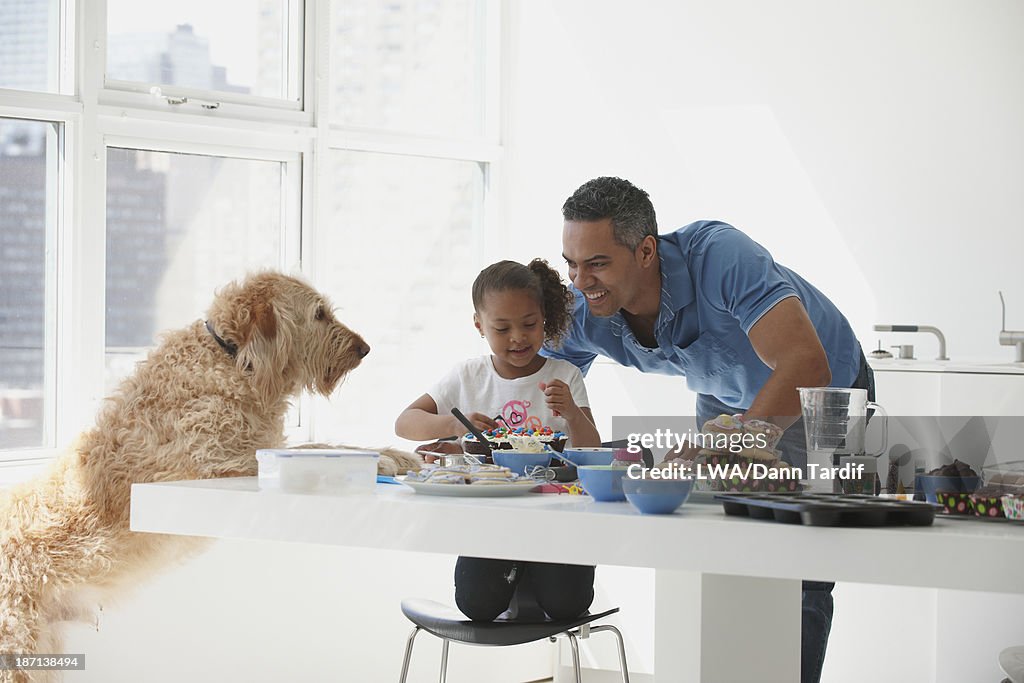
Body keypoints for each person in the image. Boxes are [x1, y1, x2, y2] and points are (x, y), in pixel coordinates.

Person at [541, 176, 873, 683]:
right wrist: (481, 435)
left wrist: (727, 446)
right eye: (572, 263)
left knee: (800, 566)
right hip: (726, 395)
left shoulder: (722, 256)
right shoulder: (586, 309)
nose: (581, 281)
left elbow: (806, 365)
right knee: (721, 548)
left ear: (647, 250)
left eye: (598, 263)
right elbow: (532, 390)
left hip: (827, 390)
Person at [395, 258, 601, 622]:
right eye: (502, 328)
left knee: (567, 605)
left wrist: (571, 412)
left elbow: (593, 451)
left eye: (529, 325)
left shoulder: (564, 375)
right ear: (479, 325)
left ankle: (534, 566)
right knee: (476, 605)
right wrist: (455, 426)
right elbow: (405, 423)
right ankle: (515, 566)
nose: (518, 338)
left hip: (557, 521)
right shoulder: (469, 376)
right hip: (490, 522)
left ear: (545, 320)